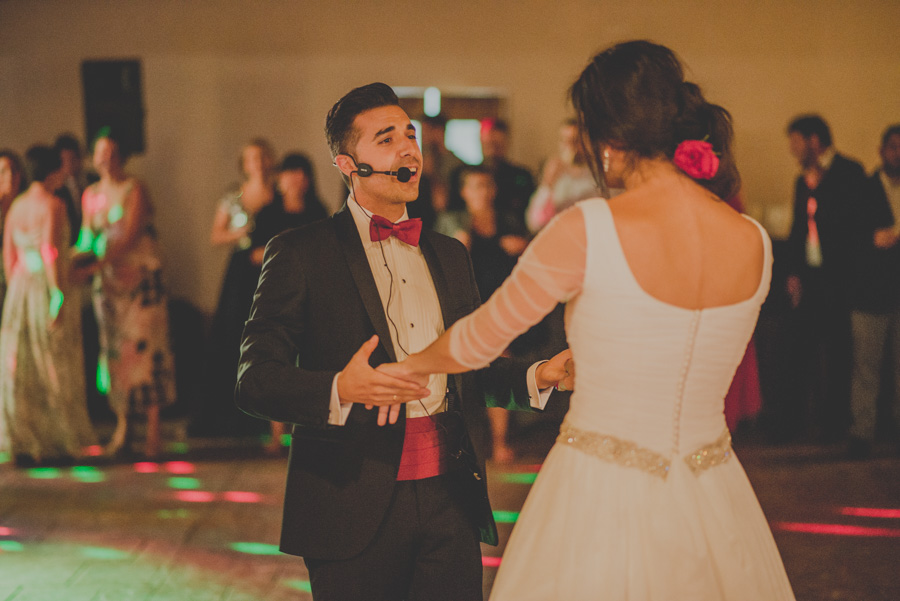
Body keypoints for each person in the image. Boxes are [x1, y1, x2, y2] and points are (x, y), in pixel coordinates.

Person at [382, 41, 795, 600]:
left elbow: (479, 339)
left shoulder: (589, 229)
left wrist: (403, 368)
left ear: (606, 138)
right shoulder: (753, 240)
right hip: (715, 489)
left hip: (603, 488)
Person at [235, 82, 570, 601]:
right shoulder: (300, 253)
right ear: (348, 164)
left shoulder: (450, 255)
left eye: (409, 135)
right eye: (386, 138)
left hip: (449, 499)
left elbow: (469, 365)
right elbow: (254, 381)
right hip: (349, 500)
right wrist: (340, 389)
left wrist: (535, 375)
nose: (408, 148)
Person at [79, 127, 176, 458]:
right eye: (100, 153)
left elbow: (131, 233)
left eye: (111, 153)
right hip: (108, 284)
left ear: (120, 156)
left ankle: (152, 430)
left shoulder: (134, 188)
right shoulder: (90, 194)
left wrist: (98, 261)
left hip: (140, 280)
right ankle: (122, 426)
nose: (105, 160)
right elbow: (86, 236)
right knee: (115, 353)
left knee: (147, 350)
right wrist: (73, 262)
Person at [0, 145, 96, 466]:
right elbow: (50, 251)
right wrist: (56, 293)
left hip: (20, 287)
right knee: (52, 360)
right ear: (54, 171)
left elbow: (9, 257)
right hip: (43, 285)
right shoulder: (52, 205)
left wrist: (18, 288)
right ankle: (56, 438)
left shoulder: (16, 207)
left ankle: (25, 437)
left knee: (22, 362)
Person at [785, 115, 867, 443]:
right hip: (810, 275)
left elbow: (852, 227)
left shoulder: (850, 171)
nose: (793, 150)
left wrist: (822, 188)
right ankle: (796, 423)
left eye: (796, 142)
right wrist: (793, 273)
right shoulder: (801, 180)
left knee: (838, 352)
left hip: (840, 279)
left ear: (814, 141)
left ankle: (835, 423)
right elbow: (796, 229)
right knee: (801, 349)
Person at [244, 152, 328, 452]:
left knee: (307, 360)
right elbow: (254, 254)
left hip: (312, 292)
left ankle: (303, 426)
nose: (295, 179)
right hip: (276, 292)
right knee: (276, 357)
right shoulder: (268, 213)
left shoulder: (319, 210)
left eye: (301, 173)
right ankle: (277, 432)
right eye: (290, 173)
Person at [196, 139, 275, 438]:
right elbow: (215, 236)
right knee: (234, 332)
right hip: (242, 270)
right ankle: (232, 414)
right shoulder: (234, 196)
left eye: (261, 156)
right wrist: (240, 233)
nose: (257, 162)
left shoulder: (277, 192)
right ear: (243, 163)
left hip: (269, 265)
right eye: (251, 158)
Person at [847, 124, 900, 459]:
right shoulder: (862, 188)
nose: (897, 154)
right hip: (870, 290)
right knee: (866, 365)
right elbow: (844, 236)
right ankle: (861, 432)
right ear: (881, 150)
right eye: (893, 147)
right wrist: (871, 240)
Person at [525, 119, 599, 233]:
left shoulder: (598, 177)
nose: (569, 146)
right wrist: (548, 184)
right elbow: (535, 222)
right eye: (565, 141)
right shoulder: (555, 177)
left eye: (575, 141)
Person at [0, 150, 27, 315]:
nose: (9, 176)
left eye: (13, 170)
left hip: (24, 281)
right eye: (3, 172)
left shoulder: (26, 205)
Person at [53, 133, 87, 245]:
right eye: (65, 160)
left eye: (73, 159)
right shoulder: (56, 189)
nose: (69, 164)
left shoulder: (91, 181)